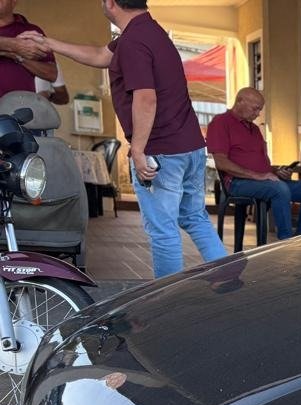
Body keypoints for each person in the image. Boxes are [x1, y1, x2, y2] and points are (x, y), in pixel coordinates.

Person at [20, 0, 226, 279]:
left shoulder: (133, 42)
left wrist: (138, 149)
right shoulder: (150, 32)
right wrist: (49, 43)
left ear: (111, 3)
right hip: (189, 147)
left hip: (161, 151)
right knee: (195, 217)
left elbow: (146, 97)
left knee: (163, 231)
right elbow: (98, 56)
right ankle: (231, 281)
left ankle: (166, 302)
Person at [207, 88, 301, 240]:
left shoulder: (254, 129)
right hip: (237, 183)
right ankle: (286, 242)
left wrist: (276, 171)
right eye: (255, 109)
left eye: (260, 110)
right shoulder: (220, 122)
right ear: (240, 101)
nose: (258, 114)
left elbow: (261, 164)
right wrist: (258, 175)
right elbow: (221, 162)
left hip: (263, 182)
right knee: (279, 189)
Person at [0, 0, 56, 97]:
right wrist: (12, 46)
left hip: (18, 107)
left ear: (13, 1)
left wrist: (18, 57)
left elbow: (51, 74)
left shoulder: (30, 31)